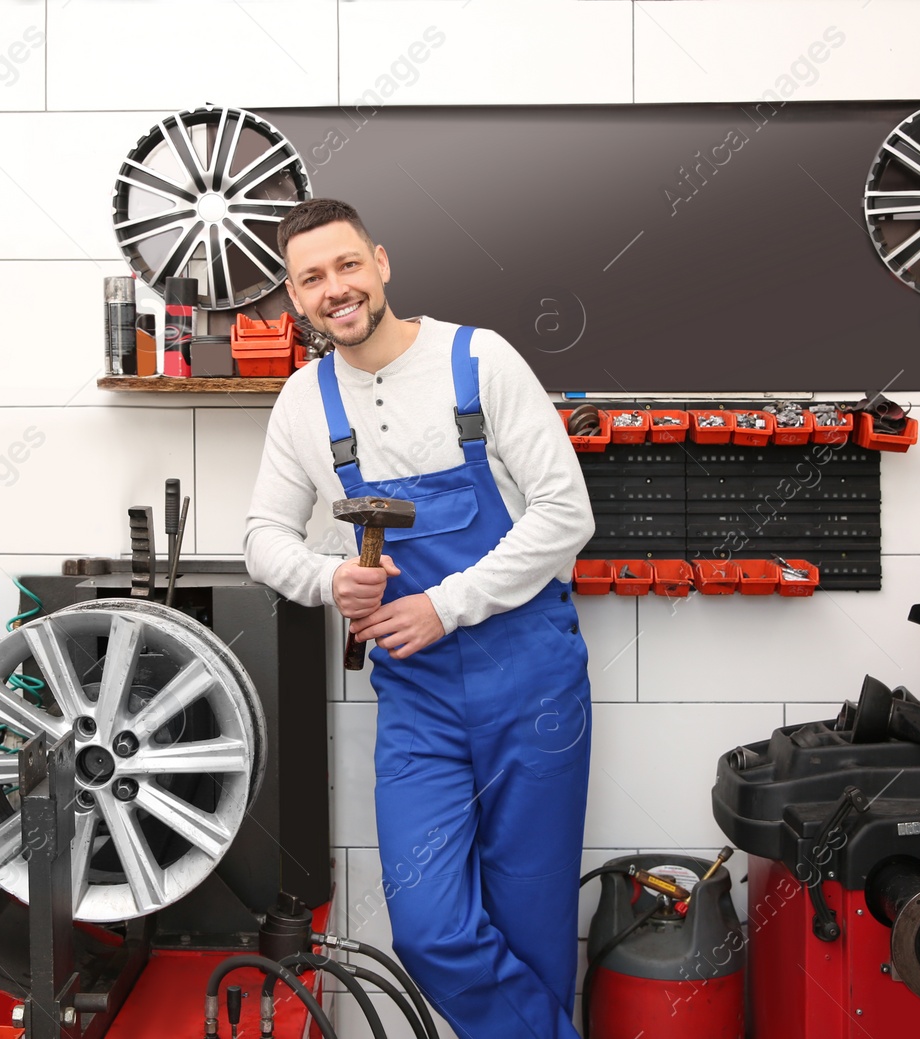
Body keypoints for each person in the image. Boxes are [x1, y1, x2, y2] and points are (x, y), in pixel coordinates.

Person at [243, 197, 595, 1039]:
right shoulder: (303, 402)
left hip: (532, 681)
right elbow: (261, 538)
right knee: (431, 929)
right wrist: (329, 578)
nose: (336, 288)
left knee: (534, 926)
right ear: (296, 300)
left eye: (347, 265)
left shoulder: (479, 360)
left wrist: (445, 602)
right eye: (313, 278)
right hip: (419, 704)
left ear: (382, 263)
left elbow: (564, 513)